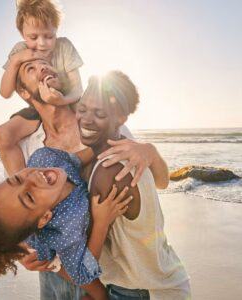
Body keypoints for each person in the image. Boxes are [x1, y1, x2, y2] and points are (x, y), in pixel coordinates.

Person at [0, 58, 170, 299]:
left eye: (46, 63)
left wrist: (149, 150)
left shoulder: (98, 124)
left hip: (104, 270)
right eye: (31, 68)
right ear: (23, 92)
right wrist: (22, 250)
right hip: (55, 271)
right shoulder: (31, 145)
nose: (43, 68)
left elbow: (157, 183)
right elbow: (15, 210)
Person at [0, 147, 131, 299]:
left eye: (16, 179)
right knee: (98, 292)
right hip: (46, 249)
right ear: (46, 217)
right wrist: (101, 221)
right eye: (29, 197)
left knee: (12, 241)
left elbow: (75, 159)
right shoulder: (66, 230)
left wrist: (101, 146)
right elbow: (83, 273)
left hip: (29, 227)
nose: (33, 178)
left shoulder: (43, 157)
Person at [74, 71, 191, 299]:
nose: (86, 119)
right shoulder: (126, 147)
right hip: (162, 278)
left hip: (142, 290)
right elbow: (163, 182)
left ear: (121, 119)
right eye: (82, 109)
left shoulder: (110, 171)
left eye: (98, 113)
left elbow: (87, 262)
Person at [0, 0, 84, 176]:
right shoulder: (19, 51)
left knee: (93, 119)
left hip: (69, 101)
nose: (42, 44)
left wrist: (62, 100)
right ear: (22, 34)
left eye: (49, 36)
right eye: (33, 37)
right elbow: (5, 93)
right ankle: (21, 185)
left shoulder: (64, 46)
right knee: (2, 134)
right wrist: (16, 61)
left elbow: (78, 89)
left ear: (56, 31)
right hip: (39, 107)